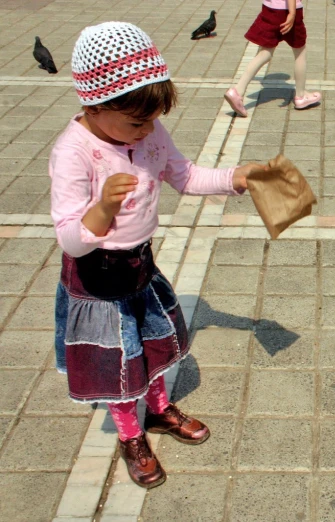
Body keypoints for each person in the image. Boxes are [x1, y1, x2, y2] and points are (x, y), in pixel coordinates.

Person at [51, 22, 267, 488]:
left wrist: (237, 177)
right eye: (137, 122)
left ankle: (160, 407)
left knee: (151, 346)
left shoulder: (147, 132)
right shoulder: (74, 152)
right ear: (95, 104)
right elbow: (70, 238)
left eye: (153, 120)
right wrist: (103, 207)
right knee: (120, 362)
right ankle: (130, 433)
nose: (149, 131)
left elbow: (185, 176)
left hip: (140, 267)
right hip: (98, 279)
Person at [224, 0, 320, 116]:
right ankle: (300, 95)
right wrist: (292, 13)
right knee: (300, 52)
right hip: (289, 11)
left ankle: (238, 90)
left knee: (265, 52)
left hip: (270, 10)